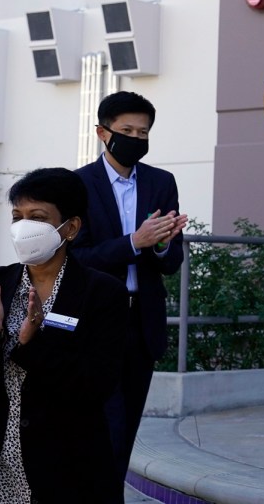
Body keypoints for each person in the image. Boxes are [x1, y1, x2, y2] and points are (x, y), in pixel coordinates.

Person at [0, 168, 128, 503]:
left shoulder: (102, 294)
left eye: (38, 217)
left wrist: (31, 345)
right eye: (17, 216)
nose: (23, 226)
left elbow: (95, 386)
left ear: (71, 227)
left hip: (66, 475)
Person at [72, 91, 187, 493]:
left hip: (142, 324)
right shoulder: (78, 185)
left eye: (144, 131)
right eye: (127, 131)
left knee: (127, 428)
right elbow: (76, 258)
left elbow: (172, 260)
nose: (136, 138)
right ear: (103, 133)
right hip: (96, 323)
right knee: (107, 426)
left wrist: (159, 245)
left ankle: (109, 493)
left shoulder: (161, 182)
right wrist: (134, 242)